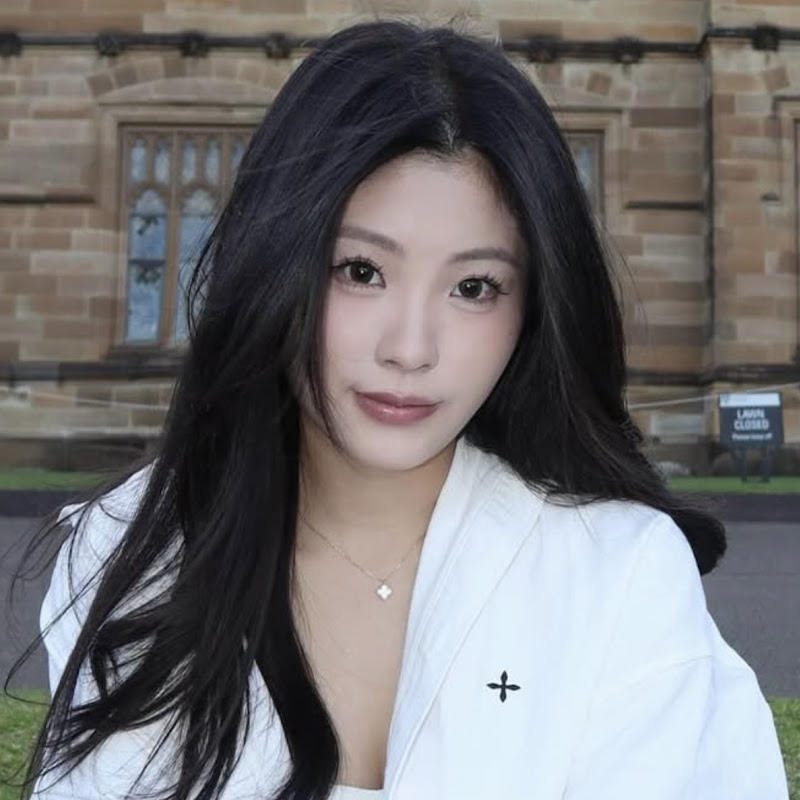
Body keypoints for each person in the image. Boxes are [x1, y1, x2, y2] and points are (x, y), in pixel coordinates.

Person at [17, 18, 788, 800]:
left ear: (532, 308)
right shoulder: (124, 553)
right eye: (360, 271)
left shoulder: (621, 574)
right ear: (274, 261)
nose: (411, 349)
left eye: (473, 287)